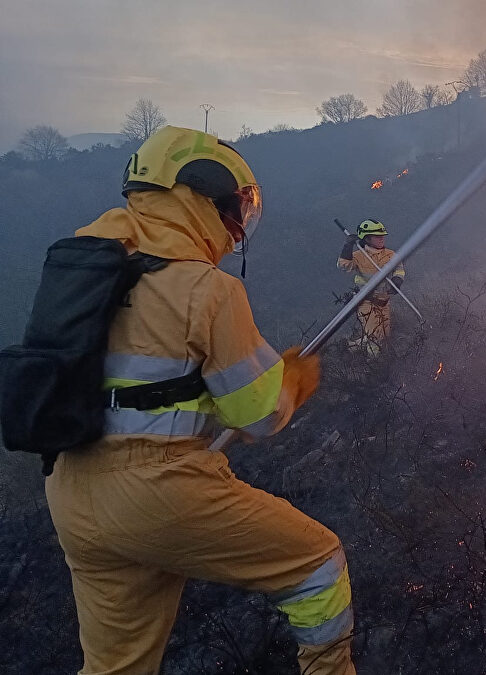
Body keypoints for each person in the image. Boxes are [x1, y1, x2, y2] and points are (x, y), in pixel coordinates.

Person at [44, 126, 355, 674]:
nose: (237, 225)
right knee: (317, 565)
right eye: (236, 206)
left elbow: (145, 388)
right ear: (200, 193)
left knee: (115, 668)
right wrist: (293, 378)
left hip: (72, 491)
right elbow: (258, 415)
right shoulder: (205, 288)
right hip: (157, 491)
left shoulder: (92, 267)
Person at [337, 218, 406, 357]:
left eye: (382, 235)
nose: (382, 238)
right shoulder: (358, 256)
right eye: (377, 236)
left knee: (384, 335)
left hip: (384, 302)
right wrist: (347, 246)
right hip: (366, 302)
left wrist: (397, 280)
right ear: (366, 238)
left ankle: (350, 347)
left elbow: (399, 268)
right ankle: (374, 368)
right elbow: (344, 266)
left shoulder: (390, 254)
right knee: (376, 339)